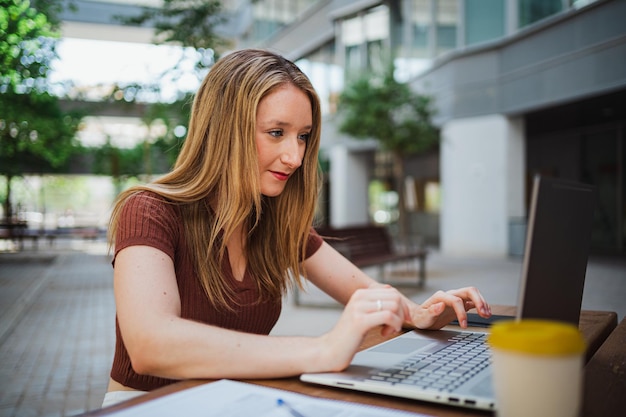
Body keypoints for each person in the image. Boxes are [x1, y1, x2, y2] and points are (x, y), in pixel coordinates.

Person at [102, 49, 492, 407]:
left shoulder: (272, 220)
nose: (296, 156)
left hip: (235, 402)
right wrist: (325, 349)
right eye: (277, 133)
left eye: (303, 137)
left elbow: (371, 295)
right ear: (224, 131)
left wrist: (421, 314)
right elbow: (152, 344)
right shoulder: (150, 210)